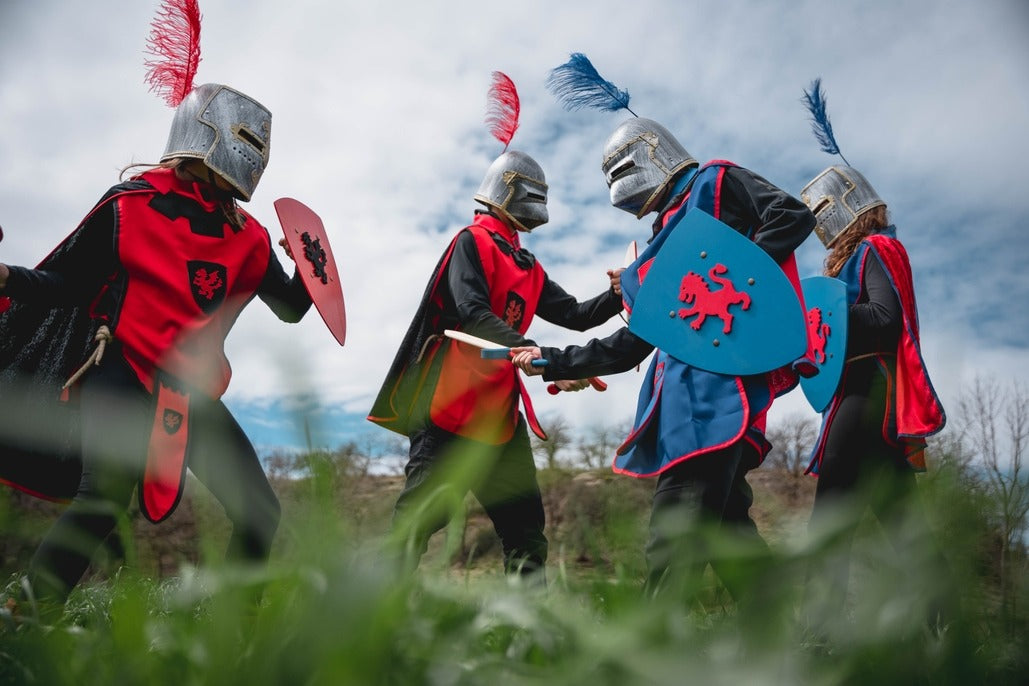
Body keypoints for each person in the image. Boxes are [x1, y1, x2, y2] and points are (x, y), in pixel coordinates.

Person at [0, 82, 312, 615]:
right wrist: (7, 276)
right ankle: (26, 610)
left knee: (260, 510)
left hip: (192, 389)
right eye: (244, 136)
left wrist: (311, 265)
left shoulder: (251, 238)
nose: (254, 151)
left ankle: (231, 626)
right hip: (121, 369)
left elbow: (291, 306)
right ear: (202, 135)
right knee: (102, 500)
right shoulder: (130, 206)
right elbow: (65, 285)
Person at [511, 117, 816, 600]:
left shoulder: (716, 182)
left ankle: (651, 650)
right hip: (680, 401)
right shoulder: (665, 237)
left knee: (675, 537)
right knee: (728, 533)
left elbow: (791, 215)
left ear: (649, 154)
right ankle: (778, 638)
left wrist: (733, 273)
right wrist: (551, 360)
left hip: (712, 399)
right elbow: (631, 344)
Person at [367, 148, 623, 581]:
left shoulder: (528, 266)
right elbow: (472, 311)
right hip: (449, 409)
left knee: (525, 533)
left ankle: (527, 635)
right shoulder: (472, 241)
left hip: (501, 420)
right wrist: (532, 351)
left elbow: (577, 315)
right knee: (417, 525)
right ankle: (373, 622)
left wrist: (619, 293)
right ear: (507, 191)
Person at [798, 164, 946, 629]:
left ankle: (817, 633)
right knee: (903, 525)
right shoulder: (858, 257)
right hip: (856, 390)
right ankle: (943, 627)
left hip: (869, 392)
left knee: (831, 521)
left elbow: (884, 318)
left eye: (823, 212)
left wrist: (821, 311)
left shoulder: (875, 248)